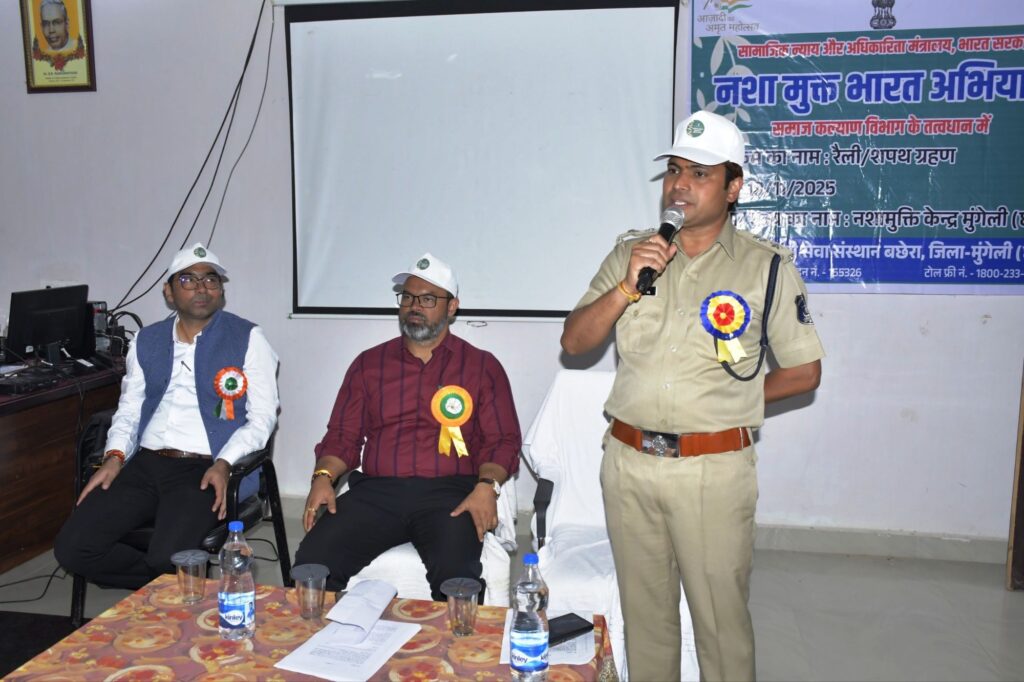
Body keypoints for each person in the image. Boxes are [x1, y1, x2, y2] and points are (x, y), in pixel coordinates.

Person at [561, 110, 825, 682]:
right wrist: (627, 286)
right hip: (629, 463)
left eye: (700, 173)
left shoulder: (764, 267)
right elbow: (575, 341)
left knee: (720, 626)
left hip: (713, 472)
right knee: (645, 622)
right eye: (675, 170)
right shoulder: (632, 254)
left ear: (733, 188)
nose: (680, 184)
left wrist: (731, 408)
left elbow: (804, 371)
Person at [295, 253, 521, 602]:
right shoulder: (369, 364)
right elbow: (342, 435)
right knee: (312, 565)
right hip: (377, 494)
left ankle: (457, 639)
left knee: (457, 580)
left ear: (452, 307)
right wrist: (323, 477)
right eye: (408, 297)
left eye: (428, 299)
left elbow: (502, 440)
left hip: (450, 495)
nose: (415, 306)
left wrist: (487, 487)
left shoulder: (482, 367)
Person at [54, 243, 280, 589]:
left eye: (211, 280)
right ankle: (161, 586)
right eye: (188, 280)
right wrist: (114, 456)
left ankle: (169, 582)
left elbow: (262, 418)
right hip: (145, 464)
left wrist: (225, 462)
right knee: (73, 549)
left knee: (168, 559)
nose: (201, 288)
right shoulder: (147, 339)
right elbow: (130, 409)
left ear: (221, 290)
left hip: (205, 468)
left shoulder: (248, 338)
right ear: (169, 292)